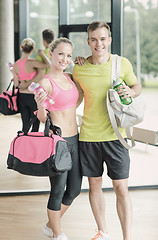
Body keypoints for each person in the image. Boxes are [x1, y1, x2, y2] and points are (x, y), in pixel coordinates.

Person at [72, 21, 142, 240]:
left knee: (121, 187)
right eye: (93, 39)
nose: (98, 43)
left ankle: (127, 237)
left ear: (109, 40)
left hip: (116, 136)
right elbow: (76, 97)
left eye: (103, 39)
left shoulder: (121, 63)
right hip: (88, 136)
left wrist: (130, 92)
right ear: (88, 42)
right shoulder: (79, 68)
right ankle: (103, 232)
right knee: (94, 184)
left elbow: (136, 86)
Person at [34, 37, 82, 240]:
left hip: (75, 139)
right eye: (61, 53)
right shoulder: (45, 82)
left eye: (69, 55)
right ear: (51, 53)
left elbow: (75, 101)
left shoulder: (70, 77)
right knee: (57, 190)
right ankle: (57, 233)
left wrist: (81, 62)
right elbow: (43, 118)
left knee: (75, 189)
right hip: (58, 143)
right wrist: (40, 105)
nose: (65, 59)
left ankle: (49, 225)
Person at [12, 37, 51, 132]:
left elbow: (17, 84)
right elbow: (49, 65)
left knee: (25, 124)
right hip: (32, 96)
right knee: (35, 125)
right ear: (32, 50)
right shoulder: (32, 63)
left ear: (21, 48)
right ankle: (32, 144)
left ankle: (23, 143)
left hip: (21, 96)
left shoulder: (15, 65)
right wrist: (42, 54)